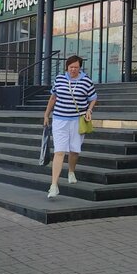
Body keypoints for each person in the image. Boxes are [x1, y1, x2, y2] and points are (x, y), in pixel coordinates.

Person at [42, 55, 97, 199]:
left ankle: (71, 171)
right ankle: (54, 185)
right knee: (59, 151)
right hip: (60, 119)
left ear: (80, 68)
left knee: (74, 150)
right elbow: (53, 97)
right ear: (67, 67)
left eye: (76, 67)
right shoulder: (59, 79)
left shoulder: (86, 81)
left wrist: (89, 110)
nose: (73, 70)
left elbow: (93, 98)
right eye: (71, 67)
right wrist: (46, 115)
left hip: (77, 120)